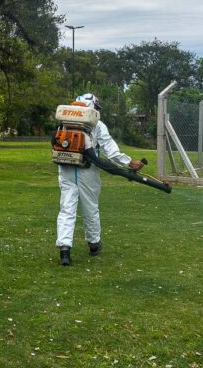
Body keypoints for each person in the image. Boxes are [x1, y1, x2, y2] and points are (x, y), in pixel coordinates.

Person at [56, 93, 144, 266]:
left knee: (66, 208)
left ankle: (64, 250)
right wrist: (128, 162)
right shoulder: (97, 124)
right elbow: (110, 150)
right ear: (92, 107)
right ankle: (94, 243)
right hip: (87, 170)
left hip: (65, 168)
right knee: (90, 207)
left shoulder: (64, 122)